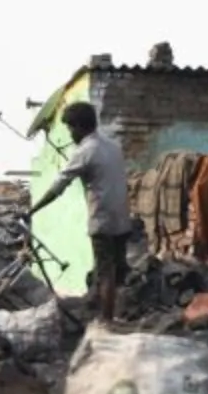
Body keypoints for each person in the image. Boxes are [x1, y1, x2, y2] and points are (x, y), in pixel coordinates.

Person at [27, 101, 132, 324]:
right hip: (122, 218)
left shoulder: (84, 151)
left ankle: (107, 321)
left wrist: (33, 210)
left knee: (105, 272)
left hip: (102, 220)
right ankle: (117, 314)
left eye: (70, 129)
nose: (70, 134)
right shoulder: (113, 146)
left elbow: (58, 186)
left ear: (78, 126)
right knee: (117, 271)